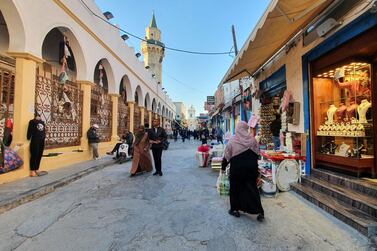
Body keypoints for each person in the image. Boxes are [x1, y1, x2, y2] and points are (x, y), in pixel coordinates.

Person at [221, 121, 264, 221]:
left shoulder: (232, 141)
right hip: (251, 169)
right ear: (246, 129)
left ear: (237, 129)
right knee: (252, 189)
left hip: (237, 170)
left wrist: (223, 168)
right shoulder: (252, 140)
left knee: (235, 189)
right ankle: (260, 212)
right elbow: (257, 154)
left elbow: (227, 156)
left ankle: (234, 209)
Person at [27, 113, 47, 177]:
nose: (38, 117)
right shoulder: (32, 121)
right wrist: (28, 137)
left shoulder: (42, 122)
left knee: (39, 154)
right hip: (35, 140)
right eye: (37, 116)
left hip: (42, 140)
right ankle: (32, 171)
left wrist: (44, 137)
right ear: (35, 116)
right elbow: (29, 130)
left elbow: (44, 131)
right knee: (34, 154)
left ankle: (37, 169)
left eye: (39, 116)